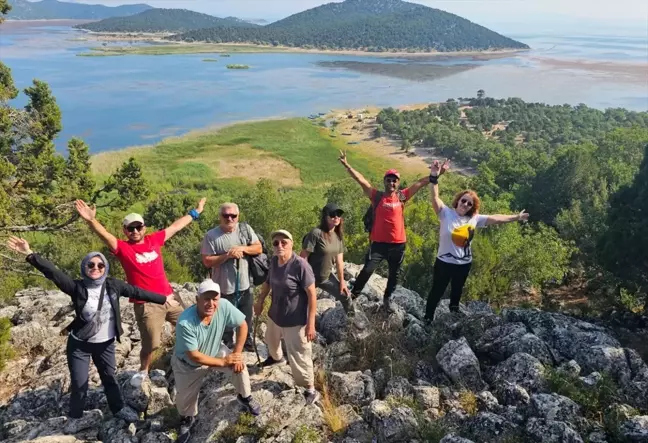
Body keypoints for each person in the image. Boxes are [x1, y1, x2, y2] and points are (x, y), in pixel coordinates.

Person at [5, 236, 167, 422]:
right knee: (79, 383)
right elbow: (53, 273)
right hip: (80, 345)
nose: (96, 268)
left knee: (109, 379)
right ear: (85, 268)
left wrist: (163, 299)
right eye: (91, 265)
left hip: (105, 344)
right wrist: (30, 254)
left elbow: (137, 292)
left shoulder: (114, 285)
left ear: (105, 268)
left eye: (100, 265)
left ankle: (118, 409)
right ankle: (76, 417)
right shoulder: (77, 287)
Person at [74, 197, 206, 385]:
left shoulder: (154, 240)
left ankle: (198, 356)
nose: (135, 231)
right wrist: (91, 220)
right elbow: (105, 235)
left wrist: (196, 212)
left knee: (192, 325)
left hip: (170, 297)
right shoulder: (124, 248)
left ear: (144, 228)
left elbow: (176, 226)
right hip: (147, 304)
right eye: (130, 228)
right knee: (151, 344)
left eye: (138, 227)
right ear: (125, 231)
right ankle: (144, 370)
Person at [423, 159, 530, 322]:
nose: (465, 204)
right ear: (458, 200)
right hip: (444, 262)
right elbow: (435, 196)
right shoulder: (445, 213)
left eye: (469, 203)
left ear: (472, 207)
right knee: (436, 291)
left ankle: (454, 317)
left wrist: (516, 217)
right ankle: (428, 318)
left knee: (457, 292)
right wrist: (434, 175)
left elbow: (496, 218)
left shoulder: (474, 218)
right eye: (463, 200)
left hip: (464, 264)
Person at [338, 150, 431, 312]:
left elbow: (420, 183)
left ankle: (387, 299)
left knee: (394, 275)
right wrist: (348, 166)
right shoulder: (377, 196)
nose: (392, 183)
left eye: (395, 181)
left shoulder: (402, 196)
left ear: (398, 183)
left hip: (398, 245)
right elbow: (361, 180)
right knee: (367, 270)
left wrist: (436, 175)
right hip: (378, 245)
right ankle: (352, 297)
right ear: (384, 182)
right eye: (389, 180)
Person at [173, 279, 260, 443]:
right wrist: (224, 362)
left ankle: (245, 396)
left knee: (239, 367)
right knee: (185, 400)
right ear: (197, 299)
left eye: (215, 299)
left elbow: (242, 324)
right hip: (188, 364)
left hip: (214, 348)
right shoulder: (185, 322)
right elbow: (195, 356)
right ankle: (186, 419)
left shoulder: (224, 305)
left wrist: (237, 354)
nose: (211, 303)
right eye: (206, 299)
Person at [253, 230, 319, 405]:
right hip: (276, 314)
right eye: (276, 243)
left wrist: (311, 324)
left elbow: (312, 295)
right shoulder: (274, 261)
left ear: (292, 244)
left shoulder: (301, 266)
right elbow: (268, 283)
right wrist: (260, 301)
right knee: (270, 340)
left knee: (299, 355)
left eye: (284, 242)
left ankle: (310, 389)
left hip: (295, 320)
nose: (279, 246)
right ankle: (276, 359)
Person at [200, 203, 262, 352]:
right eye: (226, 215)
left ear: (238, 216)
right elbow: (207, 261)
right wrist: (227, 255)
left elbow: (258, 247)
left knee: (246, 316)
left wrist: (242, 248)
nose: (229, 218)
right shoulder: (211, 236)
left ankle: (247, 342)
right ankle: (227, 342)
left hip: (245, 284)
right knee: (225, 319)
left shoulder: (245, 230)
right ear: (220, 217)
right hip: (223, 287)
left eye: (233, 216)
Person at [300, 203, 352, 313]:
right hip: (310, 278)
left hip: (326, 277)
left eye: (338, 214)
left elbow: (339, 262)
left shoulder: (338, 237)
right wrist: (304, 279)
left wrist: (342, 282)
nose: (336, 217)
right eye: (333, 214)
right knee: (300, 303)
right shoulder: (316, 233)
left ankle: (352, 323)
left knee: (346, 296)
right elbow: (303, 258)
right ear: (326, 217)